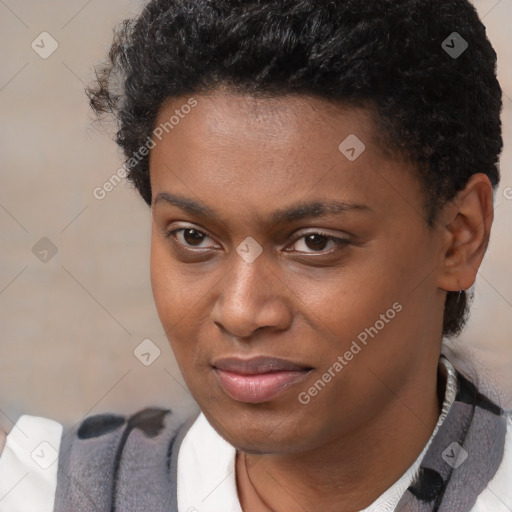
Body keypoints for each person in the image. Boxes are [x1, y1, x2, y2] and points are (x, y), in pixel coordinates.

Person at [0, 0, 511, 510]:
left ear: (458, 237)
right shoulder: (44, 492)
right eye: (193, 237)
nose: (242, 312)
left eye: (315, 242)